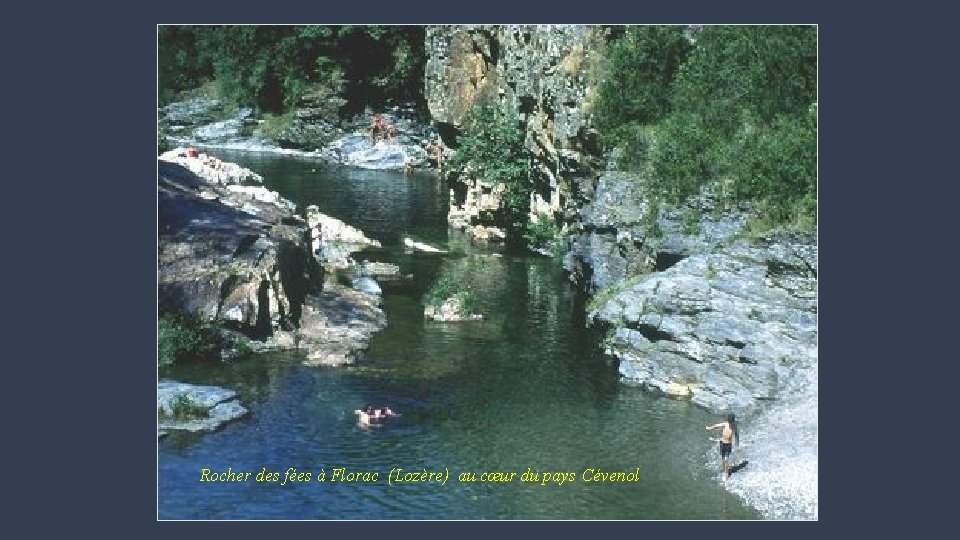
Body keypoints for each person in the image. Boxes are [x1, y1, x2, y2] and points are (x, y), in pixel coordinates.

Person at [706, 413, 740, 480]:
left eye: (731, 422)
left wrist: (737, 444)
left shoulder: (734, 426)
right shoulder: (725, 424)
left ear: (733, 421)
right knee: (723, 459)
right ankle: (724, 469)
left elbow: (736, 435)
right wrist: (710, 428)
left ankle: (726, 473)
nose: (730, 423)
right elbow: (717, 426)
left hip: (728, 445)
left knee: (726, 459)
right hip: (722, 443)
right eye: (729, 421)